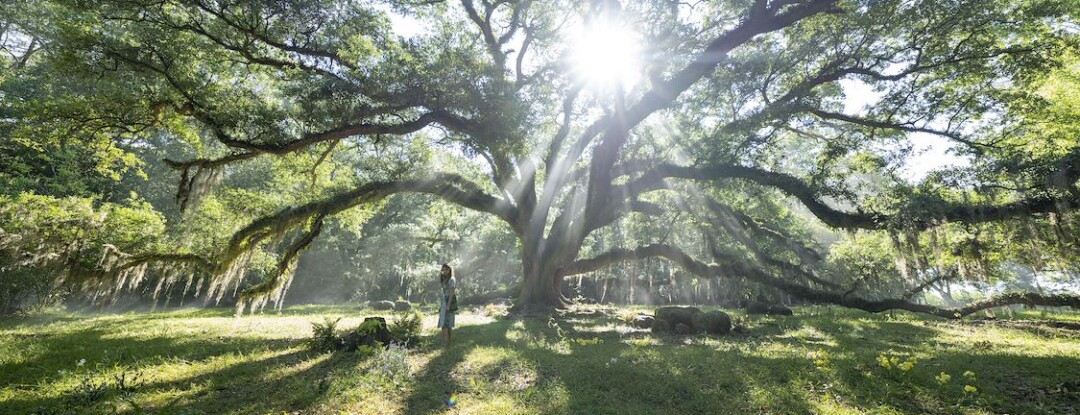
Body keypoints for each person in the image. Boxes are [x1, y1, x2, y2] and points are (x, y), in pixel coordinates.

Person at [437, 263, 457, 346]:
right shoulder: (444, 279)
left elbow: (452, 293)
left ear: (450, 270)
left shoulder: (451, 279)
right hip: (444, 300)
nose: (444, 271)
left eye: (446, 269)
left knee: (448, 323)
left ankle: (447, 342)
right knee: (443, 322)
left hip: (449, 301)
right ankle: (445, 342)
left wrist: (448, 305)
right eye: (443, 269)